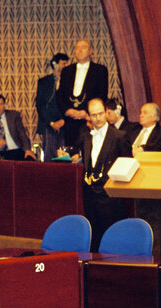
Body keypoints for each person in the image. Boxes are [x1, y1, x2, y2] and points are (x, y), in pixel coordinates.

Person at [67, 98, 130, 252]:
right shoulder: (85, 137)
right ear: (88, 116)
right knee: (94, 239)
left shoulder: (119, 136)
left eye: (101, 114)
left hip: (110, 197)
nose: (98, 118)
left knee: (112, 240)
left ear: (106, 113)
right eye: (94, 115)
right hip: (89, 194)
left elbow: (128, 164)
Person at [56, 40, 108, 149]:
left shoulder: (100, 70)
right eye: (77, 47)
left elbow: (102, 95)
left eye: (83, 47)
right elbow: (60, 96)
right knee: (71, 152)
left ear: (90, 52)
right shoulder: (66, 71)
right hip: (70, 121)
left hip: (90, 119)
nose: (80, 50)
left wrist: (86, 113)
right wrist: (67, 110)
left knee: (89, 149)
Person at [36, 53, 69, 161]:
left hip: (65, 124)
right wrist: (51, 123)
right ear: (55, 64)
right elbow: (40, 105)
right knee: (50, 156)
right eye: (63, 63)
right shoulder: (43, 82)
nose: (66, 66)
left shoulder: (70, 82)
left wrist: (63, 121)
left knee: (64, 155)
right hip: (48, 125)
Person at [0, 94, 36, 160]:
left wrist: (27, 149)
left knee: (30, 160)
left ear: (5, 105)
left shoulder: (13, 115)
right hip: (0, 152)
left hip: (16, 149)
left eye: (1, 104)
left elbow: (22, 134)